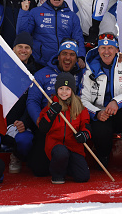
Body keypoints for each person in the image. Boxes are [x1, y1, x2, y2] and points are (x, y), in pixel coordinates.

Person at [0, 10, 37, 174]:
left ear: (31, 51)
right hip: (0, 120)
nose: (23, 50)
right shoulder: (2, 66)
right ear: (13, 48)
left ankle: (17, 155)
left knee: (25, 141)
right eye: (20, 47)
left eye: (27, 48)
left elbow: (35, 101)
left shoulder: (35, 73)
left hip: (21, 123)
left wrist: (25, 122)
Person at [80, 33, 122, 178]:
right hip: (103, 113)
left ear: (117, 50)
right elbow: (82, 99)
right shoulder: (90, 70)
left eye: (110, 47)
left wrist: (116, 101)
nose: (106, 51)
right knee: (99, 124)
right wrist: (96, 113)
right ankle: (103, 157)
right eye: (103, 48)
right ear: (98, 50)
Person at [25, 39, 84, 177]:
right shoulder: (41, 74)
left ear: (76, 58)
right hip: (48, 126)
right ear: (58, 56)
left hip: (72, 127)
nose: (68, 58)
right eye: (64, 54)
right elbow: (32, 101)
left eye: (72, 54)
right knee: (39, 170)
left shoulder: (82, 74)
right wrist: (39, 120)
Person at [16, 0, 86, 69]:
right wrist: (24, 12)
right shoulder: (36, 12)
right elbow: (22, 34)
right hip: (40, 64)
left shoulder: (72, 16)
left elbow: (78, 38)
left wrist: (81, 56)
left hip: (64, 64)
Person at [37, 72, 92, 184]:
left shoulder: (80, 108)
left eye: (67, 89)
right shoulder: (51, 106)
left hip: (74, 147)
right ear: (57, 90)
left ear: (72, 90)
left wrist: (84, 135)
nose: (64, 92)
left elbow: (86, 125)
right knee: (61, 152)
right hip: (56, 146)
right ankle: (57, 173)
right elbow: (42, 127)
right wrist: (51, 113)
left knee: (83, 177)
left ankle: (69, 168)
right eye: (61, 88)